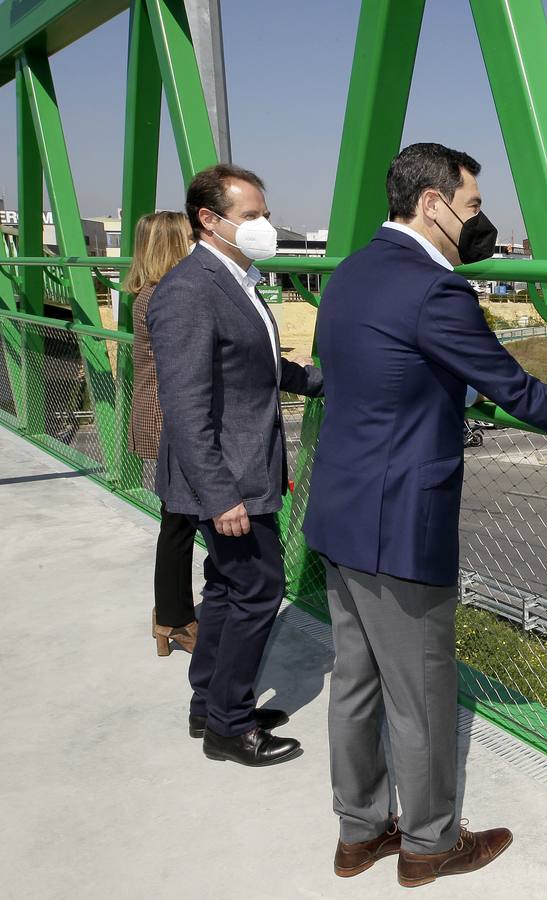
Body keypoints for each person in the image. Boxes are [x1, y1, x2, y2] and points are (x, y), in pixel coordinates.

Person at [304, 142, 547, 886]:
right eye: (469, 206)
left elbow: (378, 370)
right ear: (431, 203)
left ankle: (358, 833)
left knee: (356, 681)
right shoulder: (436, 292)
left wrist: (449, 389)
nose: (476, 222)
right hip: (399, 525)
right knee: (424, 695)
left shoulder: (350, 273)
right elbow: (517, 389)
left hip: (337, 509)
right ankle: (431, 844)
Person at [147, 163, 323, 768]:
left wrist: (325, 380)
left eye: (264, 214)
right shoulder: (189, 291)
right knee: (257, 588)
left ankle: (212, 704)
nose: (264, 225)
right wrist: (221, 496)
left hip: (242, 470)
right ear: (209, 220)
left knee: (226, 588)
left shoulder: (234, 280)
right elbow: (187, 407)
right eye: (251, 216)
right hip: (226, 479)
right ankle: (229, 725)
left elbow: (260, 367)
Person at [127, 210, 199, 657]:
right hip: (169, 417)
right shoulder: (163, 297)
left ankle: (167, 617)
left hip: (155, 413)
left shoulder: (145, 293)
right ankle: (173, 618)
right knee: (178, 524)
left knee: (177, 521)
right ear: (174, 244)